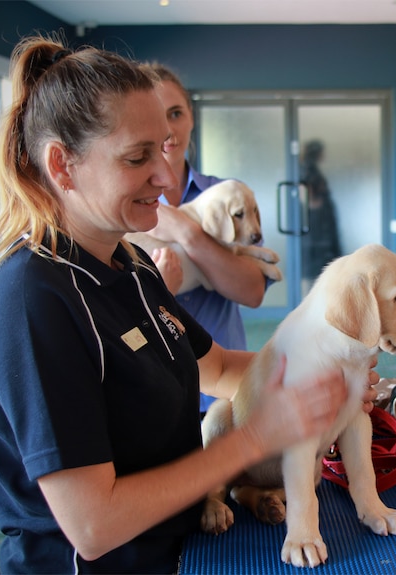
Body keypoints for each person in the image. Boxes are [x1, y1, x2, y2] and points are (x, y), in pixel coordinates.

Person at [0, 35, 377, 573]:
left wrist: (325, 377)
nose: (165, 178)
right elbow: (94, 526)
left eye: (164, 148)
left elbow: (218, 368)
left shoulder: (131, 265)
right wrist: (255, 438)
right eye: (138, 157)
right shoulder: (30, 300)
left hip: (187, 546)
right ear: (62, 166)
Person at [143, 63, 271, 414]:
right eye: (155, 116)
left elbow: (252, 291)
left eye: (176, 113)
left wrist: (187, 231)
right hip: (154, 384)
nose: (168, 129)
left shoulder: (227, 195)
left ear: (191, 118)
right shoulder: (128, 205)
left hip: (224, 383)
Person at [299, 139, 342, 286]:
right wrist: (317, 206)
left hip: (319, 226)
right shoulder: (309, 170)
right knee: (316, 274)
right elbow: (307, 197)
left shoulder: (309, 169)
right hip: (317, 227)